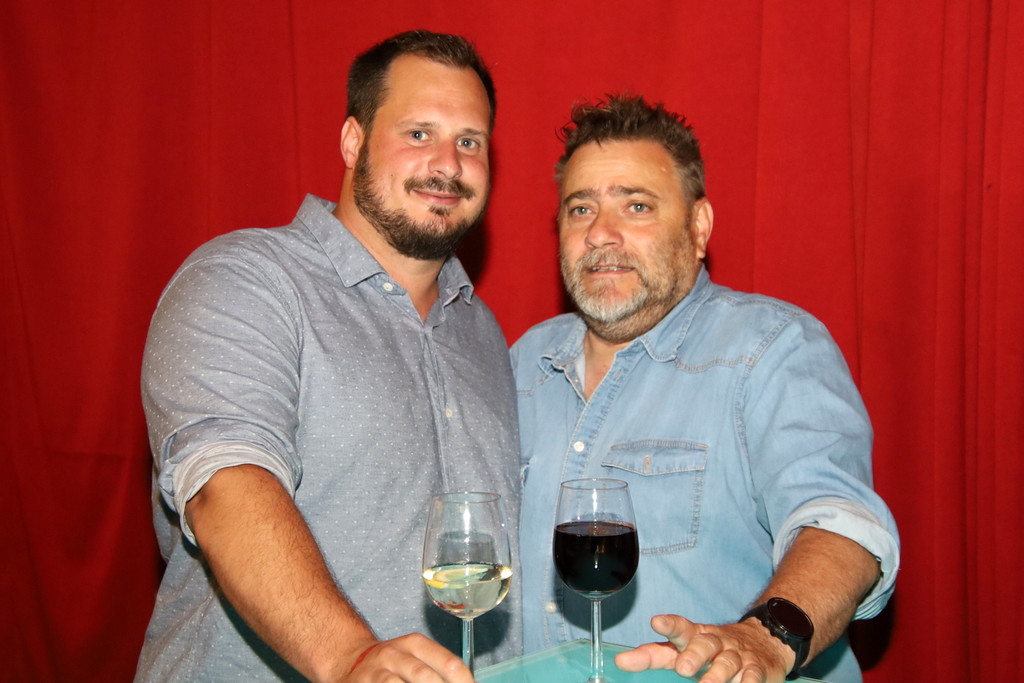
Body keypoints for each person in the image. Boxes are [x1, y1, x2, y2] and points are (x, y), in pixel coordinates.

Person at [137, 30, 520, 682]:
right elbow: (226, 483)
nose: (448, 165)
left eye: (470, 142)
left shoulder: (482, 332)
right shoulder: (245, 280)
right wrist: (349, 656)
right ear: (352, 141)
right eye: (419, 133)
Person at [511, 94, 899, 683]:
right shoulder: (523, 363)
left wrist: (766, 637)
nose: (600, 234)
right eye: (580, 208)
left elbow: (842, 523)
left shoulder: (771, 349)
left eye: (636, 206)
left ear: (699, 228)